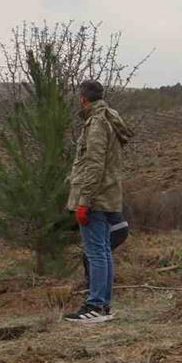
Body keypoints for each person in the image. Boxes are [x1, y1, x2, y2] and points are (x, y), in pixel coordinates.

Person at [65, 80, 133, 324]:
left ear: (83, 98)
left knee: (96, 253)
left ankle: (95, 305)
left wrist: (84, 200)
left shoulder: (96, 123)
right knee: (102, 252)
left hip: (95, 198)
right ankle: (102, 305)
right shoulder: (109, 118)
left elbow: (94, 164)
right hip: (107, 195)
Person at [81, 213, 129, 283]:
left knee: (92, 255)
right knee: (103, 254)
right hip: (120, 225)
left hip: (115, 227)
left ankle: (93, 284)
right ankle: (102, 285)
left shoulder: (82, 207)